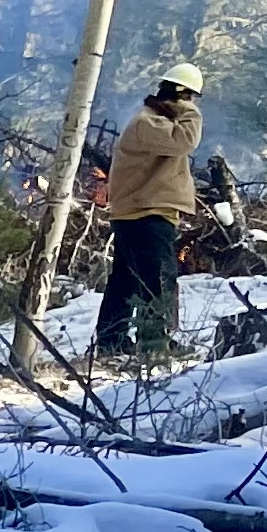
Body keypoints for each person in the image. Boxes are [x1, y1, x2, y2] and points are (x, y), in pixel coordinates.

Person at [95, 63, 204, 359]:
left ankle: (112, 341)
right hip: (147, 214)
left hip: (140, 213)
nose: (192, 105)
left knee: (127, 281)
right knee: (157, 280)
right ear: (181, 95)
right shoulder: (149, 123)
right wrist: (188, 111)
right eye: (190, 98)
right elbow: (186, 141)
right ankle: (154, 343)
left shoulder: (154, 122)